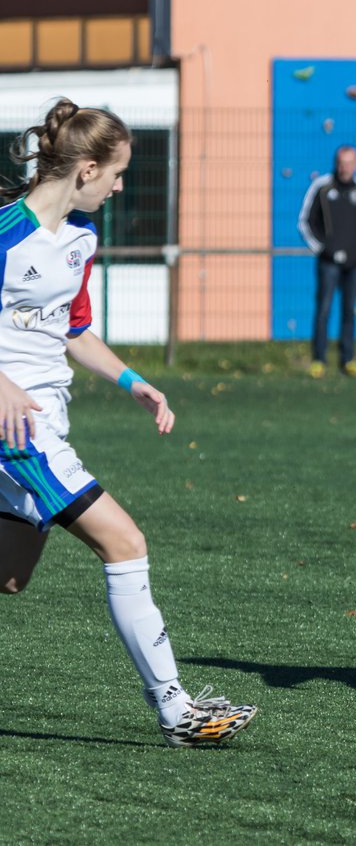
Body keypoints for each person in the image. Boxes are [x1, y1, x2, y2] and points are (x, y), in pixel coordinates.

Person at [0, 99, 258, 747]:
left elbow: (75, 332)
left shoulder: (81, 240)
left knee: (10, 575)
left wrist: (132, 381)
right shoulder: (8, 231)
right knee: (125, 541)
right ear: (85, 169)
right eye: (116, 173)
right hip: (18, 430)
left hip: (46, 418)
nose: (120, 186)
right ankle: (176, 710)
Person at [298, 144, 356, 378]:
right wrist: (323, 250)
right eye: (342, 163)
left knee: (349, 311)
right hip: (328, 262)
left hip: (354, 262)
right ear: (336, 163)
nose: (345, 168)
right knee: (324, 309)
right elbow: (305, 222)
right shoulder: (322, 187)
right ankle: (319, 360)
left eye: (350, 163)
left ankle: (347, 359)